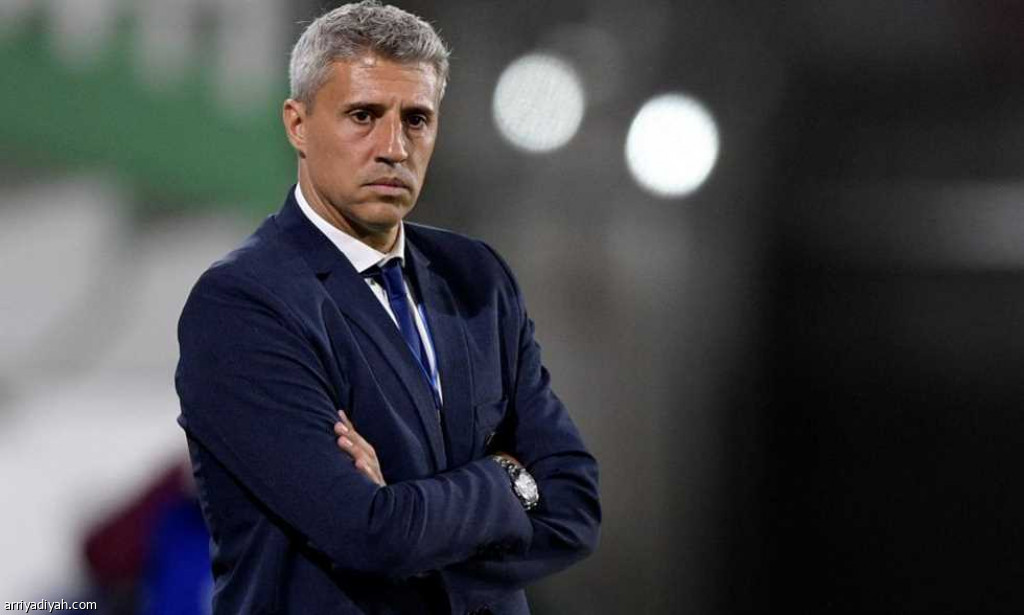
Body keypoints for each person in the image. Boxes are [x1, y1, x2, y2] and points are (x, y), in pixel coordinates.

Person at [174, 2, 600, 613]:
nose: (394, 147)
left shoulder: (478, 278)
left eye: (416, 119)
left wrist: (406, 510)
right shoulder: (244, 304)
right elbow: (368, 533)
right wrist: (507, 479)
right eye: (363, 115)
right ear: (297, 124)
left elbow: (576, 505)